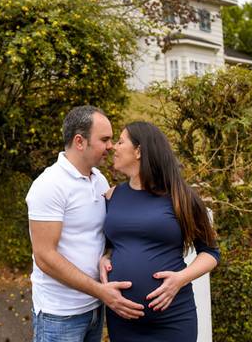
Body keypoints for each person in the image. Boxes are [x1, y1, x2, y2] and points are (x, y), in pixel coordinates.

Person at [25, 105, 145, 342]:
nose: (111, 147)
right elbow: (45, 257)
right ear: (80, 142)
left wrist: (106, 256)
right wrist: (101, 291)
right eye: (105, 139)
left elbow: (102, 235)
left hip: (94, 309)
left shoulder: (99, 180)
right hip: (60, 315)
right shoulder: (49, 185)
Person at [100, 121, 219, 342]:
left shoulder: (181, 197)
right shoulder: (111, 196)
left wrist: (180, 279)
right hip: (123, 319)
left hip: (173, 319)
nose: (113, 147)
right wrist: (104, 258)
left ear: (139, 151)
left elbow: (211, 253)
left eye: (120, 141)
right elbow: (111, 244)